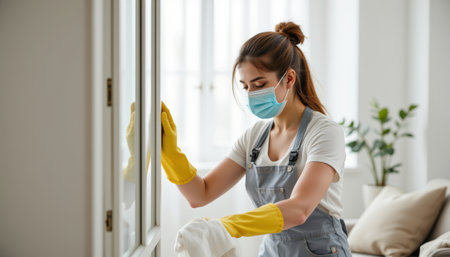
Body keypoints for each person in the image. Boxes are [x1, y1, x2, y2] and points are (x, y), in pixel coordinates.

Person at [161, 21, 352, 257]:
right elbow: (200, 194)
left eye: (260, 84)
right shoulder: (254, 138)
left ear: (289, 79)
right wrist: (169, 153)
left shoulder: (324, 132)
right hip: (272, 251)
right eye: (246, 87)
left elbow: (300, 209)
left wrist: (227, 226)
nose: (252, 95)